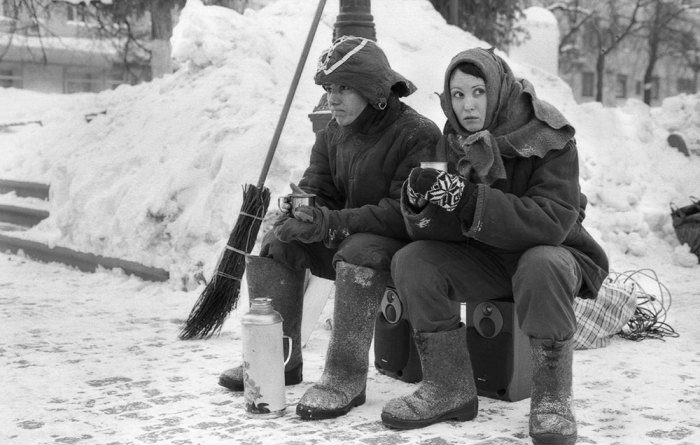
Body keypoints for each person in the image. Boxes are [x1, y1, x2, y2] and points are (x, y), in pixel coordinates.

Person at [378, 47, 609, 445]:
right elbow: (438, 234)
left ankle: (552, 401)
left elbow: (553, 220)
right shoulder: (453, 141)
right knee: (413, 260)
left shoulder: (547, 136)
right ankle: (449, 388)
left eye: (478, 92)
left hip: (553, 255)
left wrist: (467, 200)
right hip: (488, 260)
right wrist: (421, 206)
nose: (467, 105)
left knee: (542, 264)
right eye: (457, 94)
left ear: (498, 89)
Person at [217, 36, 442, 421]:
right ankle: (279, 360)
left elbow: (401, 213)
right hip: (350, 235)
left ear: (373, 90)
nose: (332, 98)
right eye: (328, 88)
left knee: (358, 251)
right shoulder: (332, 131)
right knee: (279, 242)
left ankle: (345, 378)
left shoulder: (417, 133)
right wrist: (304, 210)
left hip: (404, 246)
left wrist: (331, 223)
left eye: (343, 88)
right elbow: (319, 187)